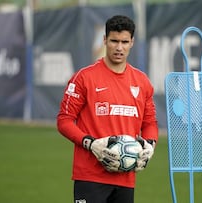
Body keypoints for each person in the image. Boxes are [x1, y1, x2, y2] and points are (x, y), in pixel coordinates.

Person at [57, 15, 159, 203]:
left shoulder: (142, 82)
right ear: (104, 40)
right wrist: (91, 143)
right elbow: (64, 120)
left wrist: (150, 146)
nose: (119, 47)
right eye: (114, 41)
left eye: (124, 42)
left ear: (132, 42)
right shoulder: (84, 77)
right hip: (89, 177)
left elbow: (150, 123)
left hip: (126, 178)